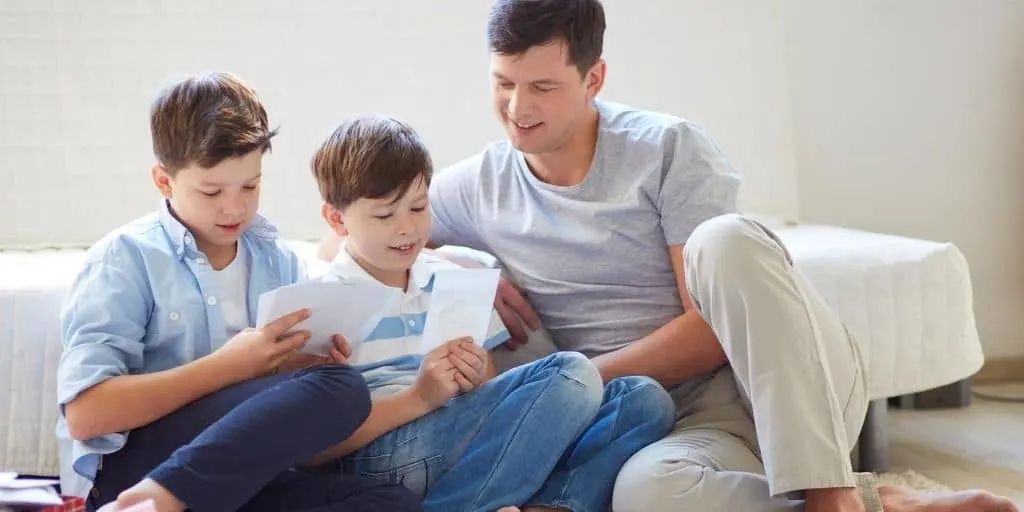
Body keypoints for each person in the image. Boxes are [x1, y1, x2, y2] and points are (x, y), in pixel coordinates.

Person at [314, 1, 1022, 511]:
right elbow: (349, 239)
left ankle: (831, 494)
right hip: (664, 423)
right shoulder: (475, 186)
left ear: (593, 80)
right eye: (503, 82)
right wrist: (465, 264)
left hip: (766, 381)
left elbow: (710, 326)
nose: (516, 107)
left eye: (542, 86)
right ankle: (879, 504)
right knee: (648, 496)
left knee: (726, 238)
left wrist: (579, 378)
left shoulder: (669, 148)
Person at [56, 72, 421, 512]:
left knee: (389, 500)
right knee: (343, 388)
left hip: (236, 484)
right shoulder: (126, 258)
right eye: (211, 191)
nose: (235, 207)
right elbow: (85, 415)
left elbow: (273, 411)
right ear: (163, 181)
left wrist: (291, 370)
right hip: (138, 473)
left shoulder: (276, 259)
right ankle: (158, 499)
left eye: (250, 186)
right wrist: (228, 367)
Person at [305, 114, 676, 512]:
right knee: (572, 373)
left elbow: (499, 406)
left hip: (464, 444)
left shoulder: (453, 278)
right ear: (336, 219)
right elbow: (309, 451)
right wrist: (420, 396)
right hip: (383, 452)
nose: (407, 228)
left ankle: (549, 506)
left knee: (644, 399)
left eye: (417, 207)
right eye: (384, 215)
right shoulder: (322, 301)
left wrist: (475, 374)